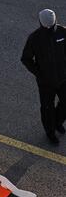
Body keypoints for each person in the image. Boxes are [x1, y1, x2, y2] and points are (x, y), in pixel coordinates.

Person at [21, 9, 66, 145]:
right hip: (46, 82)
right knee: (47, 108)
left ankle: (58, 122)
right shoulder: (34, 38)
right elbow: (26, 59)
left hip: (64, 78)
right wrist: (40, 74)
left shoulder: (63, 32)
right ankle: (50, 132)